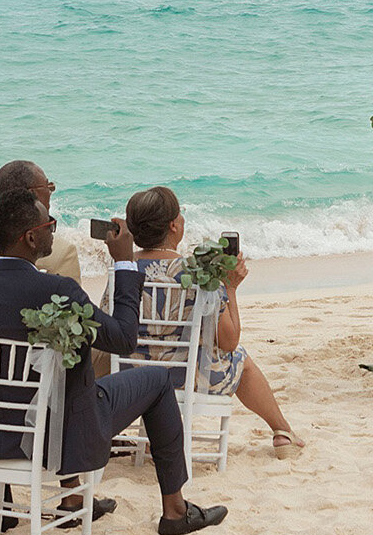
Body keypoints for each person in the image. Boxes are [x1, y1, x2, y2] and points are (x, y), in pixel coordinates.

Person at [0, 189, 224, 535]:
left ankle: (75, 501)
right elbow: (123, 339)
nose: (54, 231)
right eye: (51, 225)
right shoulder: (56, 290)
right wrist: (124, 263)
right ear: (31, 238)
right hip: (56, 438)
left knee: (68, 380)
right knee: (156, 381)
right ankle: (176, 510)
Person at [124, 186, 304, 458]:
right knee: (240, 358)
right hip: (187, 380)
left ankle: (155, 434)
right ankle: (282, 431)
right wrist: (230, 287)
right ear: (173, 226)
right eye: (180, 215)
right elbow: (229, 342)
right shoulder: (197, 272)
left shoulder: (121, 269)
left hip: (132, 378)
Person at [0, 160, 93, 286]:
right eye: (48, 187)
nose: (50, 193)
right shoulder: (61, 252)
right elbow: (73, 311)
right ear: (33, 194)